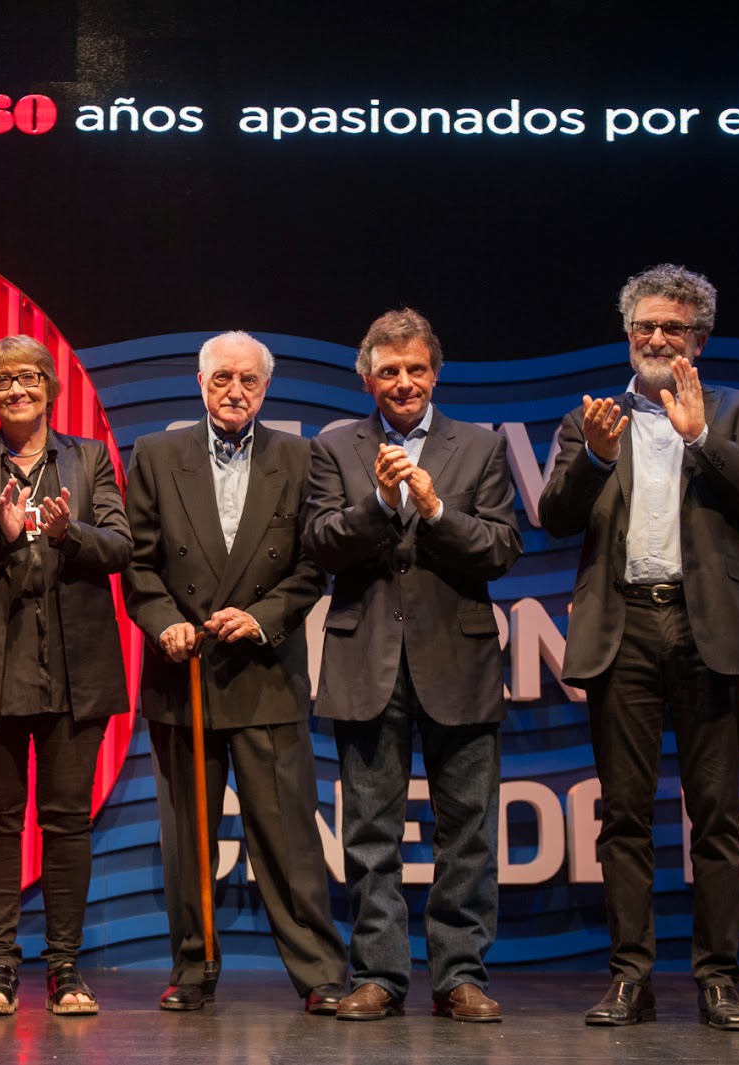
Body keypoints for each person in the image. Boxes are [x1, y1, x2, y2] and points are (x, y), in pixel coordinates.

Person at [537, 264, 739, 1032]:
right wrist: (598, 456)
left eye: (672, 328)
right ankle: (630, 980)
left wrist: (703, 437)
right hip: (626, 629)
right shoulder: (596, 419)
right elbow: (554, 515)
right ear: (628, 333)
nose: (655, 337)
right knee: (625, 817)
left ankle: (717, 978)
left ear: (699, 340)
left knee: (715, 815)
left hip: (706, 627)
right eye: (644, 325)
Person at [301, 309, 522, 1023]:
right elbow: (321, 544)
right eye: (389, 371)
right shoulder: (336, 446)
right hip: (365, 658)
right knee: (369, 831)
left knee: (469, 829)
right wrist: (379, 502)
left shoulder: (480, 446)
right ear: (368, 377)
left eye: (416, 369)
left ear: (436, 371)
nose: (404, 382)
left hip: (459, 658)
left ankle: (459, 974)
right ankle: (380, 975)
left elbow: (500, 548)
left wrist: (433, 506)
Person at [124, 331, 348, 1014]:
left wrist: (262, 617)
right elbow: (139, 560)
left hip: (264, 671)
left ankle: (317, 973)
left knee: (287, 837)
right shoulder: (157, 455)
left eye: (249, 380)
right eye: (222, 378)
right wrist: (165, 621)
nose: (235, 391)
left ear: (265, 388)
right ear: (200, 382)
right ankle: (193, 968)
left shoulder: (300, 457)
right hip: (181, 673)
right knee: (189, 837)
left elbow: (313, 563)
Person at [0, 334, 131, 1017]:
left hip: (77, 670)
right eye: (2, 381)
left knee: (67, 821)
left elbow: (121, 545)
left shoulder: (90, 457)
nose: (16, 389)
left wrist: (70, 533)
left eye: (28, 377)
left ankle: (66, 967)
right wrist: (0, 536)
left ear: (49, 386)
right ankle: (1, 966)